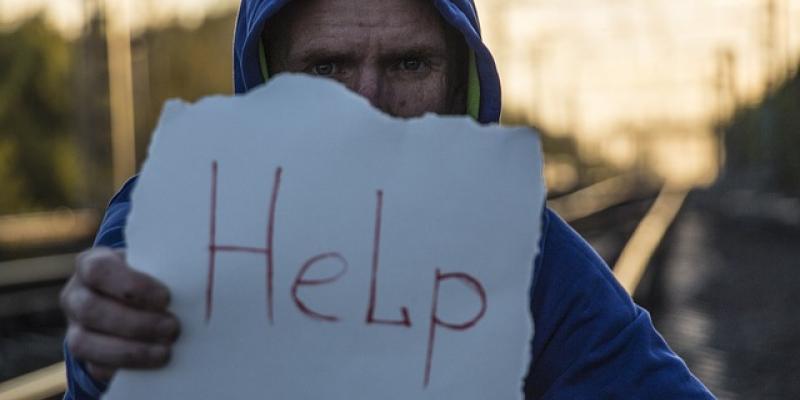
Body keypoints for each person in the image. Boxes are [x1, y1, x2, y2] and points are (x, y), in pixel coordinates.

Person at [60, 0, 716, 398]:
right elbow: (114, 332)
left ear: (460, 82)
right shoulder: (180, 213)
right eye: (327, 67)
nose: (367, 103)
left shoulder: (525, 255)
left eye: (407, 64)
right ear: (267, 81)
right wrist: (102, 354)